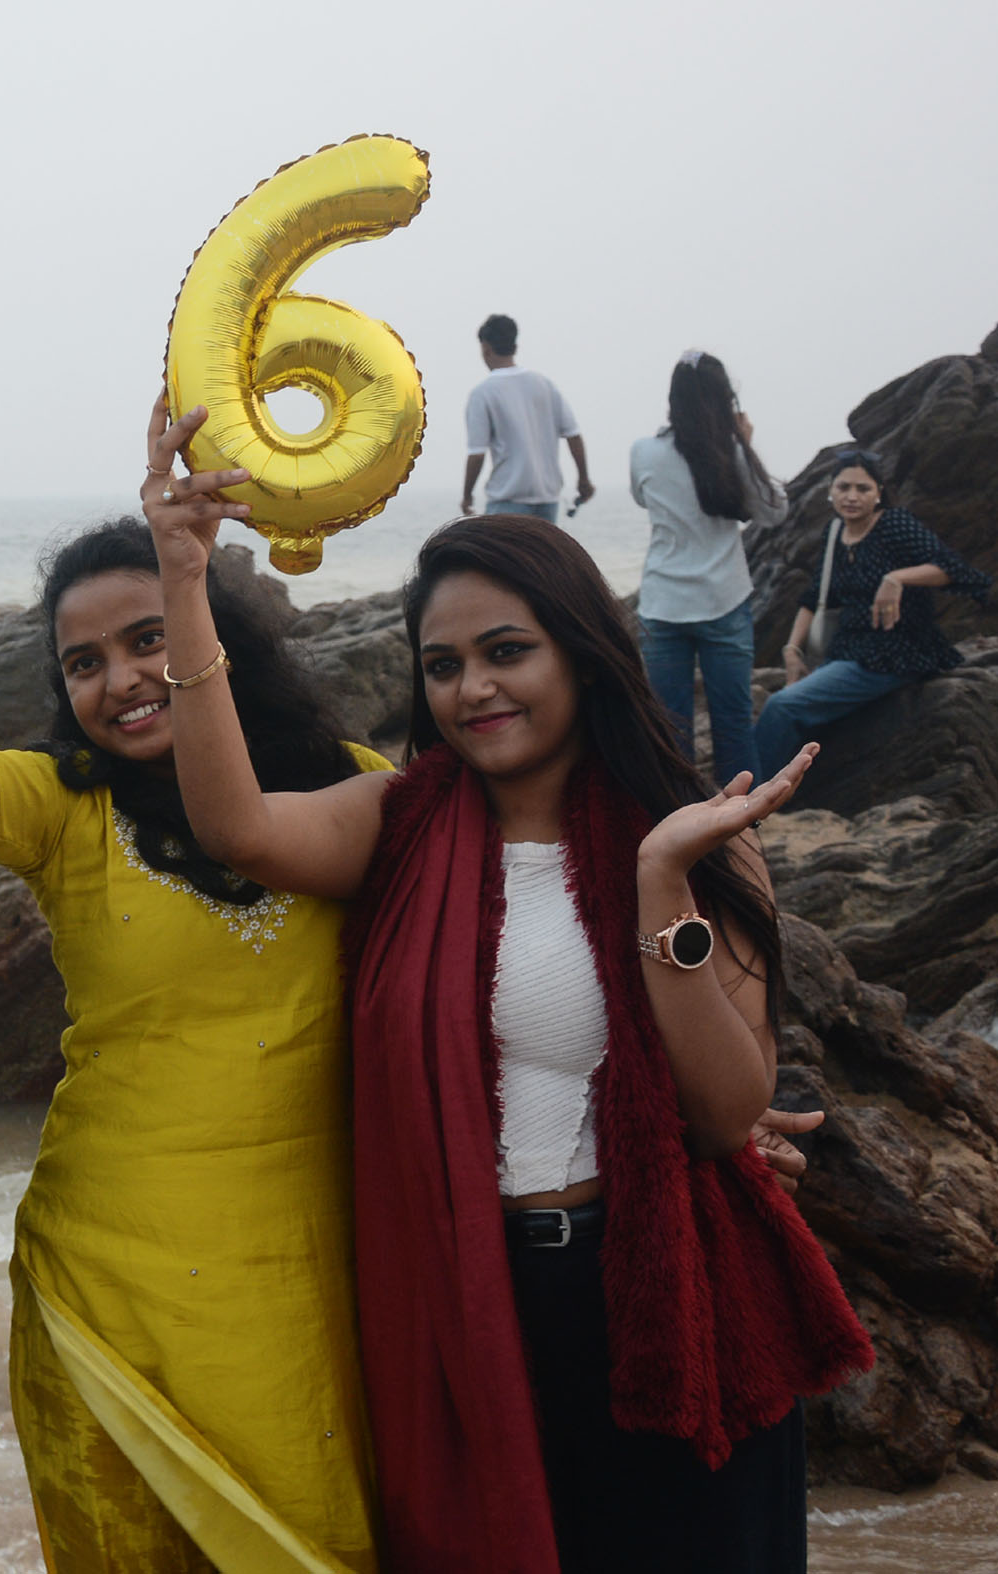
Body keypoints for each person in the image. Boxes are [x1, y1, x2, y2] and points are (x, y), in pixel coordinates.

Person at [149, 483, 873, 1572]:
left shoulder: (688, 838)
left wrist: (658, 886)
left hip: (660, 1300)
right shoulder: (397, 822)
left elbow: (727, 1114)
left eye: (505, 651)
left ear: (579, 652)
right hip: (473, 1302)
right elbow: (234, 826)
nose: (472, 688)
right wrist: (184, 578)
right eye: (442, 665)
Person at [0, 375, 386, 1571]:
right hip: (106, 1278)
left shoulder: (346, 781)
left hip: (307, 1283)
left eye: (146, 638)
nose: (120, 678)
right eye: (83, 662)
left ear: (214, 639)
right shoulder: (61, 811)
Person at [758, 449, 991, 768]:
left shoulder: (894, 524)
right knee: (792, 715)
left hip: (895, 652)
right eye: (843, 487)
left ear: (879, 492)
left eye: (863, 489)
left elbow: (952, 568)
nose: (852, 496)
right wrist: (791, 649)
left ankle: (748, 802)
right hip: (848, 652)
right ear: (830, 490)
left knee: (781, 707)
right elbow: (814, 597)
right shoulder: (835, 532)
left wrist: (896, 577)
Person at [630, 350, 787, 786]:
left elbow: (642, 499)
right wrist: (745, 445)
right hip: (725, 600)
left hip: (663, 605)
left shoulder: (644, 452)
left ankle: (682, 821)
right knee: (734, 724)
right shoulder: (733, 455)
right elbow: (775, 512)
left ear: (673, 399)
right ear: (725, 402)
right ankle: (744, 823)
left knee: (670, 727)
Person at [462, 313, 593, 522]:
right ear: (514, 345)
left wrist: (467, 495)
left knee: (502, 556)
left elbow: (477, 453)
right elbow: (573, 435)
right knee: (539, 556)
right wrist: (583, 479)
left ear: (485, 347)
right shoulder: (543, 384)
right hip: (548, 498)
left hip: (507, 498)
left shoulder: (483, 393)